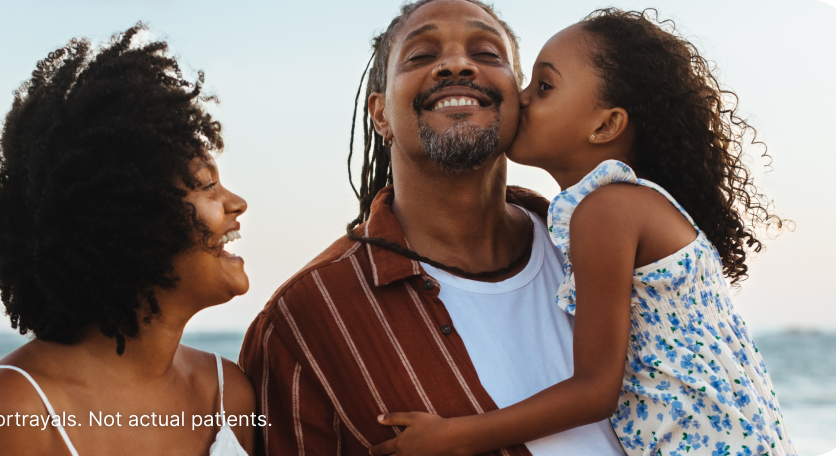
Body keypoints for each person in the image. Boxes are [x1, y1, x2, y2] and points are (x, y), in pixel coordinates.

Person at [369, 9, 797, 456]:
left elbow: (595, 390)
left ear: (605, 125)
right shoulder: (631, 205)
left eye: (545, 86)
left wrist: (454, 436)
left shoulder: (606, 212)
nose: (523, 97)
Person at [239, 1, 623, 454]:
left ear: (519, 102)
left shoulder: (603, 250)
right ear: (380, 114)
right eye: (420, 56)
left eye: (486, 53)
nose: (457, 63)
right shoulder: (305, 321)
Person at [0, 24, 254, 456]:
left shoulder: (229, 394)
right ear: (132, 217)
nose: (237, 202)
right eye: (206, 185)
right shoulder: (17, 405)